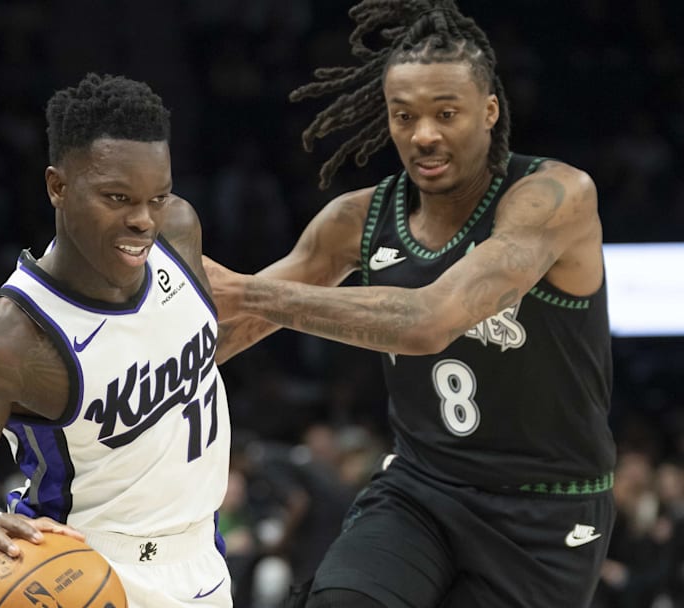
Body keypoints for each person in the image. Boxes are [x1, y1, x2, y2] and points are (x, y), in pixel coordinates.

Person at [204, 1, 616, 606]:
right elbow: (231, 331)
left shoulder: (556, 197)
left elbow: (429, 322)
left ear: (489, 111)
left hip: (545, 511)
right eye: (404, 116)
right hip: (420, 490)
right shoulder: (358, 218)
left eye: (446, 113)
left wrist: (241, 286)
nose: (423, 134)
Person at [0, 72, 233, 607]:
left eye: (158, 196)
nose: (142, 221)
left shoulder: (178, 230)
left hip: (204, 562)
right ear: (57, 186)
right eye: (117, 197)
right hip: (79, 572)